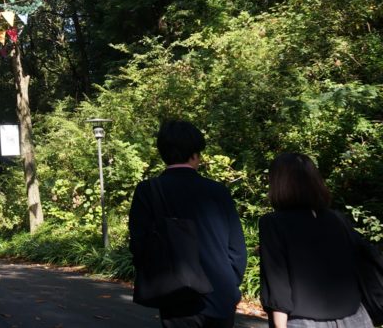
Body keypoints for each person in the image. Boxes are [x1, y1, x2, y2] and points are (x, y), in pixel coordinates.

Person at [128, 120, 246, 328]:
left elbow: (139, 245)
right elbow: (236, 248)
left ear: (163, 153)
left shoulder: (148, 191)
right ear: (195, 154)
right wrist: (231, 282)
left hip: (176, 294)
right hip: (221, 292)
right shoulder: (217, 191)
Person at [259, 152, 374, 327]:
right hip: (355, 318)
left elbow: (278, 284)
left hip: (305, 321)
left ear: (278, 183)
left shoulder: (273, 223)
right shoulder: (338, 219)